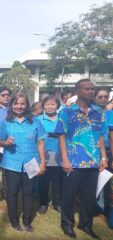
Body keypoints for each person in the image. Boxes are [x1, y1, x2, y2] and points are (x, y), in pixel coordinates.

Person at [55, 79, 108, 239]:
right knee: (69, 195)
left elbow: (100, 137)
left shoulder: (98, 113)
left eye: (93, 89)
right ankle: (67, 224)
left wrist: (104, 157)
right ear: (77, 91)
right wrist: (64, 159)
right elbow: (62, 137)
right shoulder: (67, 112)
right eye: (87, 89)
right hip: (73, 162)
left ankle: (86, 225)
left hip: (93, 162)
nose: (91, 91)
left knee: (89, 196)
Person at [0, 93, 47, 232]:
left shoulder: (35, 122)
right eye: (16, 103)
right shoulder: (5, 122)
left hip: (31, 163)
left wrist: (42, 162)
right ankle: (14, 221)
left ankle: (27, 221)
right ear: (11, 105)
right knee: (12, 193)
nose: (19, 106)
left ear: (27, 105)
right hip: (11, 163)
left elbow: (41, 143)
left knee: (28, 193)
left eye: (22, 103)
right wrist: (6, 142)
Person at [37, 95, 62, 214]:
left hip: (59, 152)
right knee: (44, 180)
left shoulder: (62, 118)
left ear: (57, 105)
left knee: (57, 180)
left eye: (53, 104)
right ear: (43, 106)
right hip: (43, 153)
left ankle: (57, 203)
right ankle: (43, 203)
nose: (50, 107)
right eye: (47, 104)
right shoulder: (38, 119)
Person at [94, 88, 111, 215]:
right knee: (92, 179)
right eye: (100, 97)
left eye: (106, 96)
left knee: (105, 180)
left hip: (107, 151)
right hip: (92, 150)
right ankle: (93, 205)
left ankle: (102, 207)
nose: (103, 99)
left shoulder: (110, 114)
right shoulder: (90, 112)